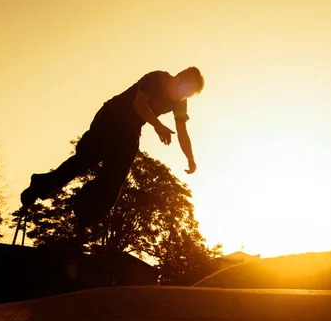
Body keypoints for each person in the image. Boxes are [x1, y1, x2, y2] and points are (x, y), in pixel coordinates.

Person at [20, 67, 203, 243]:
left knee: (115, 181)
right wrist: (157, 125)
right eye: (185, 91)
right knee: (83, 161)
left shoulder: (180, 102)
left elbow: (182, 130)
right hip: (111, 118)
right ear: (179, 79)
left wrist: (190, 158)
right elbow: (138, 104)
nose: (183, 97)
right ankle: (39, 185)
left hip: (130, 131)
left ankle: (83, 220)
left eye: (188, 95)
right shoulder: (157, 78)